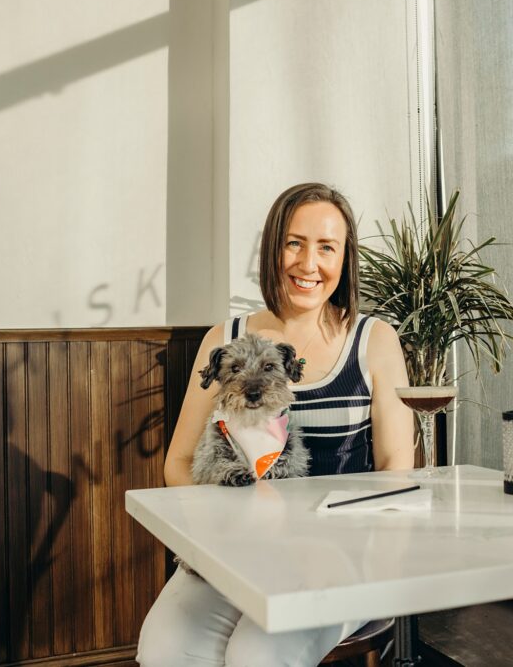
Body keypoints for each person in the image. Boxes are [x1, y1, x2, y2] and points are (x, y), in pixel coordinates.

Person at [137, 182, 414, 666]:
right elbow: (179, 463)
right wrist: (227, 532)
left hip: (341, 557)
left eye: (326, 247)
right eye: (294, 243)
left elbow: (396, 469)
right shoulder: (225, 339)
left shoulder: (376, 339)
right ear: (272, 249)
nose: (309, 264)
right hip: (236, 551)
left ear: (345, 258)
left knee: (257, 655)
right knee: (165, 649)